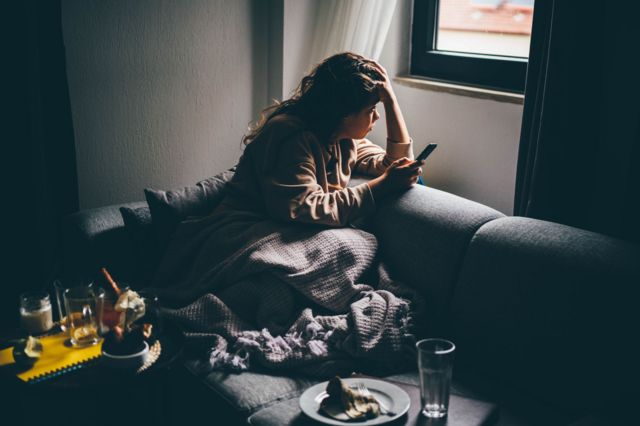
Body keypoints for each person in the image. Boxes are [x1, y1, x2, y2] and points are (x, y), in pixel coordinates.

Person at [214, 52, 423, 227]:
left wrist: (391, 101)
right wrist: (383, 185)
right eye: (371, 109)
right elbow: (303, 208)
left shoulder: (343, 139)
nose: (377, 117)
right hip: (247, 226)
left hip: (284, 228)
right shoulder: (293, 138)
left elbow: (398, 164)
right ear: (344, 113)